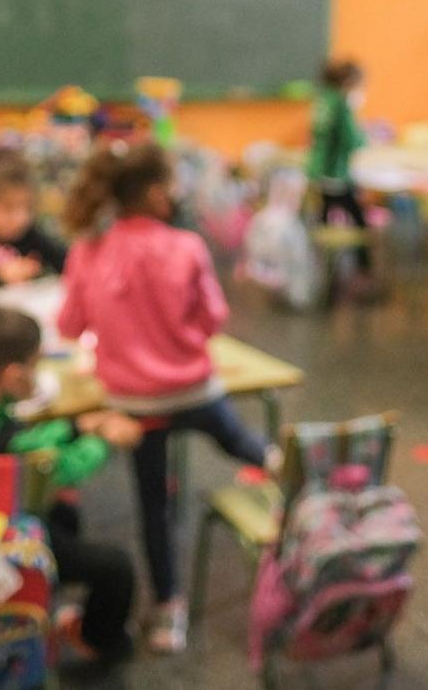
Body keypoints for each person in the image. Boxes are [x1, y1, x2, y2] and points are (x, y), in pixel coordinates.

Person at [56, 141, 276, 654]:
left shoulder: (89, 249)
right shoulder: (187, 247)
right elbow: (213, 320)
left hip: (136, 406)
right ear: (157, 193)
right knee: (241, 439)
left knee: (154, 505)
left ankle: (168, 613)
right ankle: (287, 470)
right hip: (195, 390)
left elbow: (70, 325)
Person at [0, 304, 141, 665]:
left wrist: (78, 427)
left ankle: (48, 596)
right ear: (14, 375)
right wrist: (106, 438)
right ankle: (98, 642)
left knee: (65, 512)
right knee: (117, 568)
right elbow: (56, 466)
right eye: (36, 364)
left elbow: (28, 440)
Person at [0, 147, 68, 289]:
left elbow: (65, 260)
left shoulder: (29, 235)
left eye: (27, 208)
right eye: (8, 208)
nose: (20, 219)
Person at [306, 58, 369, 227]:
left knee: (324, 214)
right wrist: (366, 137)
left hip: (318, 169)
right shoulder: (341, 105)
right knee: (359, 219)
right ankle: (362, 252)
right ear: (348, 83)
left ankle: (323, 250)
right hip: (335, 172)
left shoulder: (323, 100)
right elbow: (351, 140)